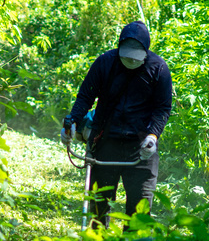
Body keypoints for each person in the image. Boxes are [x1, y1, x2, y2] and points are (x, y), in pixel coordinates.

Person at [60, 21, 172, 228]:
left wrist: (152, 136)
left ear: (145, 52)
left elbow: (162, 108)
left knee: (139, 213)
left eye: (135, 56)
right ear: (119, 47)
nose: (130, 60)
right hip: (105, 143)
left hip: (141, 149)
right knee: (99, 208)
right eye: (126, 54)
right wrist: (73, 122)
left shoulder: (159, 69)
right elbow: (86, 96)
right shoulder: (105, 63)